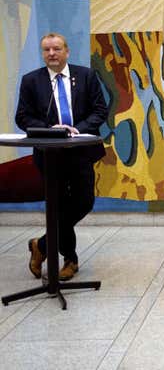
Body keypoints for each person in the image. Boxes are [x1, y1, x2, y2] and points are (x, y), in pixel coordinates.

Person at [15, 32, 108, 281]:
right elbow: (22, 117)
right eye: (47, 50)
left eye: (56, 49)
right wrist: (49, 130)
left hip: (80, 152)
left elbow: (100, 111)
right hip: (49, 155)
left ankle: (42, 245)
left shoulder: (86, 76)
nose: (52, 54)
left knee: (83, 202)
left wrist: (79, 128)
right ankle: (71, 260)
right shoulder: (31, 81)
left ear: (67, 51)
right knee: (58, 206)